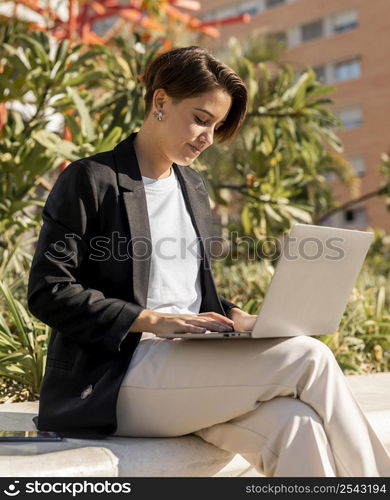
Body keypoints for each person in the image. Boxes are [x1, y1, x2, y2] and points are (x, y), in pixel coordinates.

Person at [28, 45, 390, 477]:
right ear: (160, 101)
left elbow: (192, 288)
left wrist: (238, 318)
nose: (208, 137)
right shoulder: (92, 179)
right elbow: (49, 291)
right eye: (201, 119)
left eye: (217, 126)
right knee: (308, 358)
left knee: (297, 426)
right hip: (116, 376)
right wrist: (151, 319)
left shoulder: (193, 187)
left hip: (187, 366)